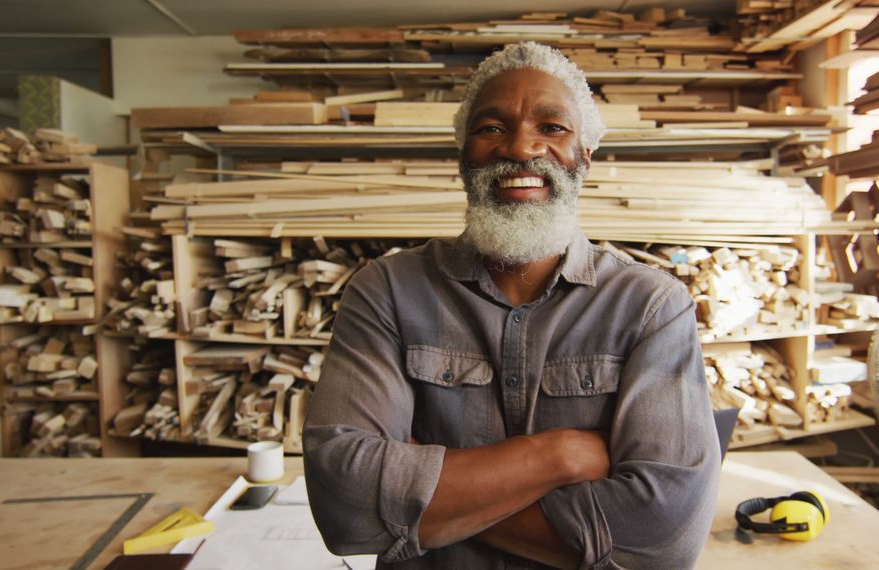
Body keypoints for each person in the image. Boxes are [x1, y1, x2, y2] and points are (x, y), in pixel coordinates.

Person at [303, 41, 720, 569]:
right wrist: (561, 456)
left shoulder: (649, 306)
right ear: (463, 156)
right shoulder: (387, 289)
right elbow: (345, 505)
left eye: (552, 127)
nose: (521, 148)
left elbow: (662, 539)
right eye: (491, 128)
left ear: (585, 156)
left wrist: (424, 502)